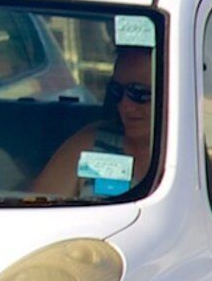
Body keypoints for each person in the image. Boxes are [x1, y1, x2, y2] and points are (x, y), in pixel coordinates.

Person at [30, 44, 157, 198]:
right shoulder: (91, 143)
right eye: (116, 91)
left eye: (139, 93)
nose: (125, 105)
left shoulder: (193, 156)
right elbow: (40, 209)